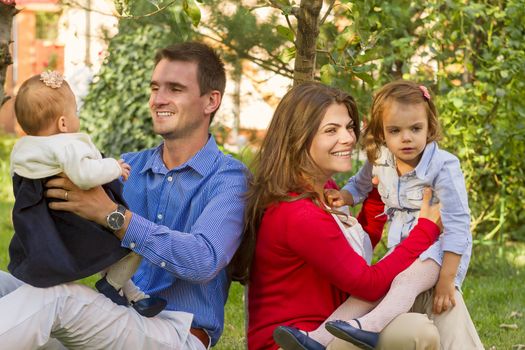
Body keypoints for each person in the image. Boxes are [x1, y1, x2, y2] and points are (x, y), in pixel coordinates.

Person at [0, 41, 247, 349]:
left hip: (176, 334)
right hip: (112, 319)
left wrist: (113, 216)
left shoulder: (229, 178)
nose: (159, 99)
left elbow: (203, 260)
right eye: (155, 88)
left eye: (175, 89)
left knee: (56, 299)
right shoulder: (130, 165)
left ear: (211, 101)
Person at [228, 81, 443, 350]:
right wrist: (426, 229)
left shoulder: (323, 190)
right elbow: (369, 284)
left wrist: (379, 192)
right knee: (417, 331)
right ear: (298, 138)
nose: (349, 138)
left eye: (350, 127)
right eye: (332, 130)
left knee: (442, 301)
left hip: (335, 329)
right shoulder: (297, 213)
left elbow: (358, 246)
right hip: (298, 342)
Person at [321, 80, 479, 350]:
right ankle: (317, 338)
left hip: (439, 253)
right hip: (405, 250)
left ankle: (371, 327)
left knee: (405, 281)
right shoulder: (381, 158)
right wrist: (345, 197)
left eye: (415, 128)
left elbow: (458, 227)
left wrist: (447, 281)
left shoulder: (443, 167)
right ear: (382, 133)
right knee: (371, 288)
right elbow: (360, 185)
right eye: (395, 130)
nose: (406, 138)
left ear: (429, 127)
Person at [9, 70, 167, 318]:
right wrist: (115, 167)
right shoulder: (66, 143)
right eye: (75, 113)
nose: (77, 119)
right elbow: (85, 174)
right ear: (63, 123)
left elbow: (17, 179)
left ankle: (135, 296)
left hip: (45, 224)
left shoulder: (23, 148)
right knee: (132, 246)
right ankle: (112, 286)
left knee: (111, 250)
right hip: (73, 221)